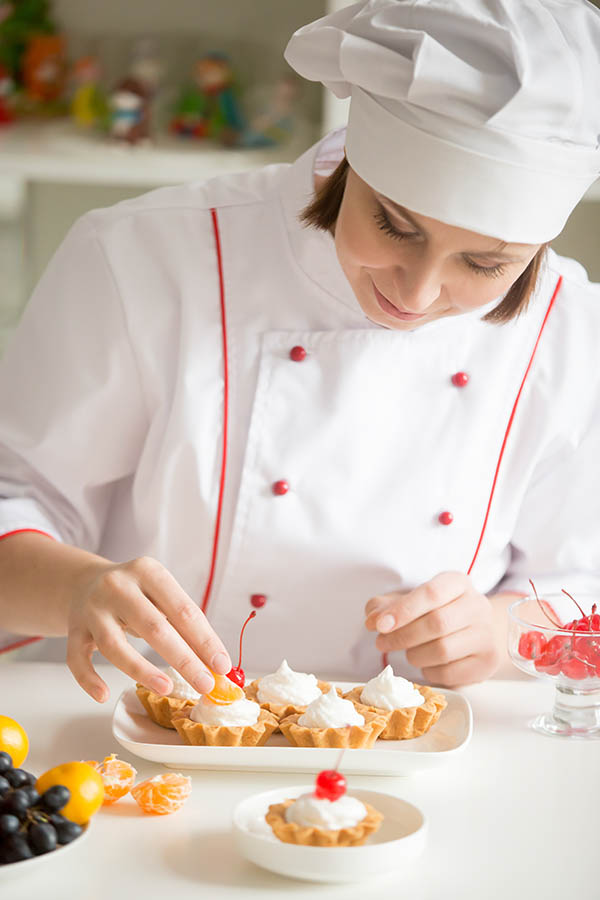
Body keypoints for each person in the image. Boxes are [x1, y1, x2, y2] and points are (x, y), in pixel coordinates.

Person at [0, 0, 599, 704]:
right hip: (140, 720)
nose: (417, 292)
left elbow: (580, 593)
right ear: (351, 164)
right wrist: (76, 587)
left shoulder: (569, 323)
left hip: (423, 745)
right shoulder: (143, 255)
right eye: (394, 226)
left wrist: (496, 633)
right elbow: (18, 495)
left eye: (485, 264)